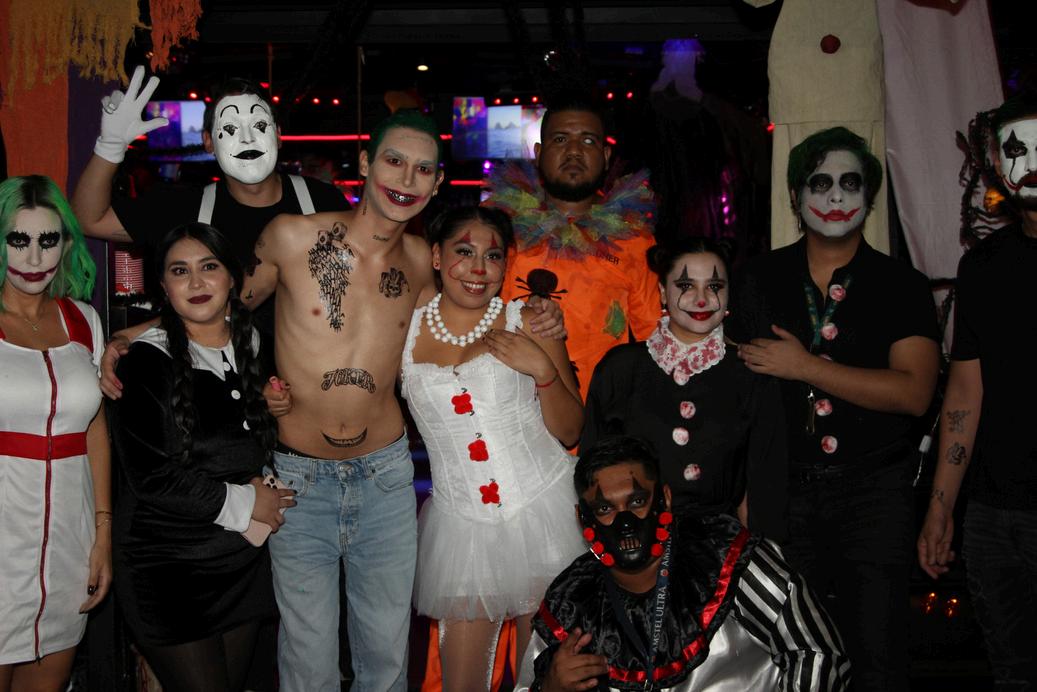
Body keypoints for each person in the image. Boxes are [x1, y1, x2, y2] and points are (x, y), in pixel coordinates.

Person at [239, 110, 563, 691]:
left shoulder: (421, 263)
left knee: (387, 660)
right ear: (366, 163)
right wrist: (248, 385)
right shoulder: (291, 236)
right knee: (308, 660)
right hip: (299, 478)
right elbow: (221, 310)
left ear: (437, 184)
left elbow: (473, 302)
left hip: (385, 479)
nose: (406, 179)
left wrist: (541, 316)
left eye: (423, 170)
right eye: (394, 161)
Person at [728, 126, 940, 691]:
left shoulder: (901, 284)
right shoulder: (756, 280)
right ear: (795, 196)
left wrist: (806, 367)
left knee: (877, 657)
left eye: (851, 182)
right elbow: (738, 397)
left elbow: (914, 393)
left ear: (870, 197)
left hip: (873, 493)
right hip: (782, 492)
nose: (837, 195)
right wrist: (743, 488)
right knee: (791, 653)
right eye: (820, 183)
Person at [400, 205, 584, 690]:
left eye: (493, 256)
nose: (478, 268)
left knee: (544, 677)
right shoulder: (403, 330)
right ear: (436, 257)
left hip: (544, 513)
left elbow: (570, 430)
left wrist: (542, 370)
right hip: (462, 530)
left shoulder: (529, 320)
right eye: (464, 251)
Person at [108, 222, 295, 692]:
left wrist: (278, 411)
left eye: (209, 267)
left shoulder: (257, 345)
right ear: (163, 286)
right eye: (179, 271)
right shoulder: (145, 362)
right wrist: (249, 502)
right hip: (167, 568)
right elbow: (152, 478)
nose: (196, 282)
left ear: (233, 278)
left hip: (240, 563)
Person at [515, 435, 850, 691]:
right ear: (583, 518)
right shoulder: (570, 602)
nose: (625, 523)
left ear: (664, 499)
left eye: (637, 502)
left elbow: (817, 652)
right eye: (605, 509)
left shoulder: (724, 558)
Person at [71, 66, 350, 335]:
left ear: (277, 135)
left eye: (259, 125)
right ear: (208, 142)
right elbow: (88, 220)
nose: (247, 139)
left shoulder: (324, 202)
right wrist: (110, 147)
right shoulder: (183, 209)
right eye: (230, 128)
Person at [917, 92, 1037, 689]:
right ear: (994, 161)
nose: (1030, 163)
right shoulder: (985, 265)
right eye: (1016, 149)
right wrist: (941, 505)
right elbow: (965, 389)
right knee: (1012, 672)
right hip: (993, 514)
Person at [581, 236, 787, 539]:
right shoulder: (621, 368)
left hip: (721, 547)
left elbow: (765, 483)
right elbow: (592, 472)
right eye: (686, 286)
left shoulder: (752, 373)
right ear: (663, 293)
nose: (702, 299)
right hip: (634, 542)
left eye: (715, 286)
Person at [0, 175, 111, 690]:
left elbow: (94, 429)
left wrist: (102, 533)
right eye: (17, 239)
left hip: (70, 543)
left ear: (66, 243)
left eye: (48, 239)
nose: (33, 257)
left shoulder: (84, 321)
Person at [487, 93, 660, 401]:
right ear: (538, 153)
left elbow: (653, 337)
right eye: (561, 139)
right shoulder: (498, 224)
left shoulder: (633, 238)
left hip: (601, 412)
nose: (574, 151)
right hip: (506, 405)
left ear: (606, 155)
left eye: (588, 141)